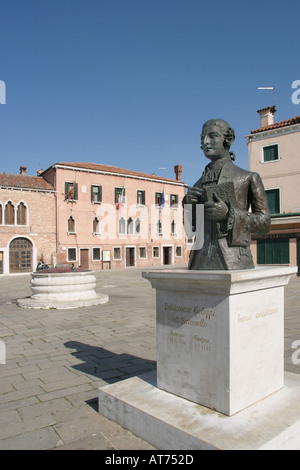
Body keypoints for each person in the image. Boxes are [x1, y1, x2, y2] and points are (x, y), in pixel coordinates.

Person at [184, 119, 270, 270]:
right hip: (198, 262)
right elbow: (190, 230)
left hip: (234, 260)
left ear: (228, 140)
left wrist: (229, 214)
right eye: (202, 138)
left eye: (212, 136)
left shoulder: (248, 177)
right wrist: (189, 207)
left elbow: (264, 223)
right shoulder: (197, 185)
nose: (205, 142)